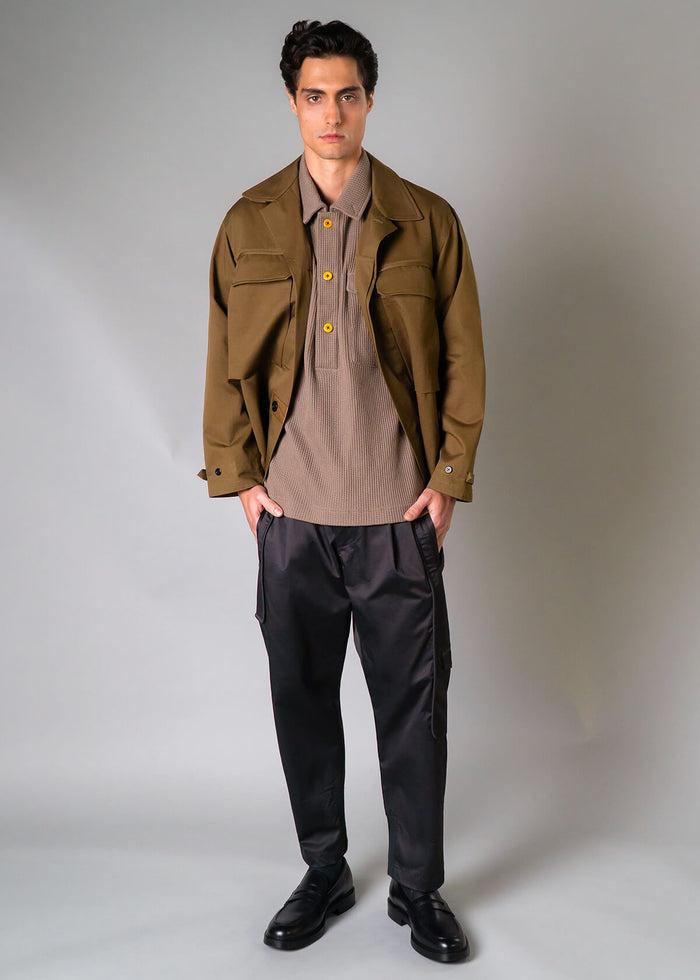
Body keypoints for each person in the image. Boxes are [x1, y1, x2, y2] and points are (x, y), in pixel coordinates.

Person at [197, 18, 485, 965]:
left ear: (369, 101)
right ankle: (324, 869)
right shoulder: (247, 223)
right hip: (293, 521)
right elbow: (222, 356)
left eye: (348, 95)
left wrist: (448, 480)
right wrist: (240, 479)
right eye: (315, 96)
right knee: (302, 704)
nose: (332, 114)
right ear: (293, 103)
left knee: (415, 714)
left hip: (397, 517)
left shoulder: (427, 221)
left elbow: (463, 356)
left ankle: (418, 889)